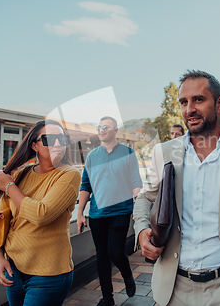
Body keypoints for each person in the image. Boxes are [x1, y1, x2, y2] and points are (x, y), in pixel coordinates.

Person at [133, 70, 220, 306]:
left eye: (198, 100)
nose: (189, 109)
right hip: (172, 288)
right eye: (183, 102)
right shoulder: (164, 152)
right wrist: (141, 230)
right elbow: (145, 198)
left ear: (219, 103)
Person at [0, 119, 81, 306]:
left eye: (62, 139)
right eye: (49, 139)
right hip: (14, 269)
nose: (57, 144)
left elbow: (41, 215)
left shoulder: (69, 174)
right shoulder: (20, 174)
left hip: (48, 276)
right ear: (34, 145)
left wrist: (8, 186)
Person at [77, 116, 143, 306]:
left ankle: (127, 275)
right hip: (97, 215)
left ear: (115, 130)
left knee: (115, 252)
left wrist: (139, 201)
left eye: (105, 127)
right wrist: (80, 213)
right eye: (99, 127)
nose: (101, 130)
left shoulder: (128, 153)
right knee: (101, 256)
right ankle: (107, 298)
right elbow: (85, 185)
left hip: (121, 212)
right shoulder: (92, 156)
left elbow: (135, 182)